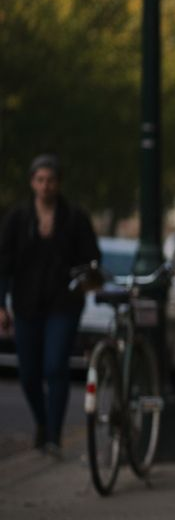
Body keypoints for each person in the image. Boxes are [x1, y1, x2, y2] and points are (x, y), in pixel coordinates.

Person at [0, 154, 101, 459]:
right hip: (26, 304)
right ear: (33, 183)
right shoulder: (18, 218)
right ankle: (42, 423)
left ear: (59, 183)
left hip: (63, 305)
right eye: (40, 180)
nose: (45, 186)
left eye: (51, 180)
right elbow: (3, 264)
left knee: (55, 367)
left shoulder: (74, 217)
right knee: (29, 373)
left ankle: (55, 435)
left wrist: (85, 282)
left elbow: (91, 258)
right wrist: (1, 306)